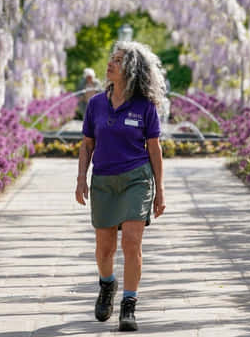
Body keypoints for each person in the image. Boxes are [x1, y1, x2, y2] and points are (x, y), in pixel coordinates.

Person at [75, 41, 167, 332]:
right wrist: (81, 179)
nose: (110, 64)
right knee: (104, 249)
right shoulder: (96, 104)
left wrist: (160, 190)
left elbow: (154, 149)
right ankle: (107, 285)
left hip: (136, 179)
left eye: (117, 60)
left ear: (132, 69)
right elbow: (87, 144)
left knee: (131, 242)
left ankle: (129, 305)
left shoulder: (145, 106)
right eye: (111, 58)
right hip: (103, 180)